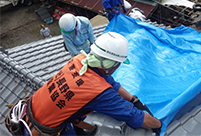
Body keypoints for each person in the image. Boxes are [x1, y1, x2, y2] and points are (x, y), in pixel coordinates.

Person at [9, 32, 162, 136]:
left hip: (29, 111)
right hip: (39, 130)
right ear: (112, 65)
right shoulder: (99, 92)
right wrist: (157, 124)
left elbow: (110, 82)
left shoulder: (79, 60)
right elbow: (134, 118)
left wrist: (133, 100)